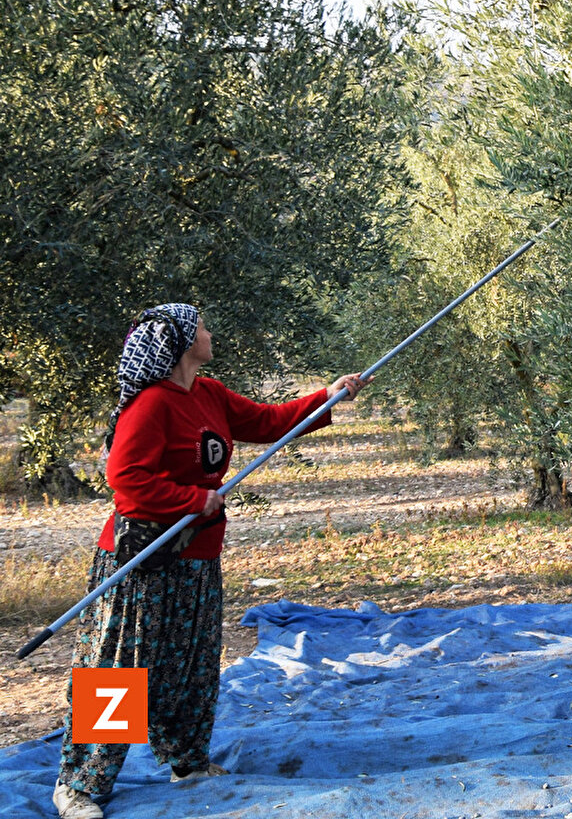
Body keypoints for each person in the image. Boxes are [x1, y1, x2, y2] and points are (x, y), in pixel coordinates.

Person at [53, 304, 363, 819]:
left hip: (197, 558)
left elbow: (266, 422)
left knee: (191, 664)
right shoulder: (152, 404)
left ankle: (186, 760)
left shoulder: (209, 393)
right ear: (177, 342)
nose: (208, 332)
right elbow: (126, 480)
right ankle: (81, 784)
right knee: (121, 673)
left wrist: (326, 396)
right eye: (200, 326)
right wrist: (191, 500)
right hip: (143, 560)